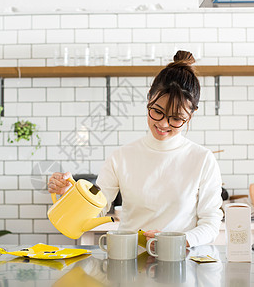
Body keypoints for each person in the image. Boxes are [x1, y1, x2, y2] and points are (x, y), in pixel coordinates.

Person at [48, 50, 223, 247]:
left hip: (182, 266)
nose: (164, 124)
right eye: (157, 111)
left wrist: (179, 241)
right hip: (128, 264)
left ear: (191, 114)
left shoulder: (202, 159)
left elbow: (211, 223)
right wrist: (72, 197)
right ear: (149, 98)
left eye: (176, 118)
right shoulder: (121, 157)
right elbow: (96, 209)